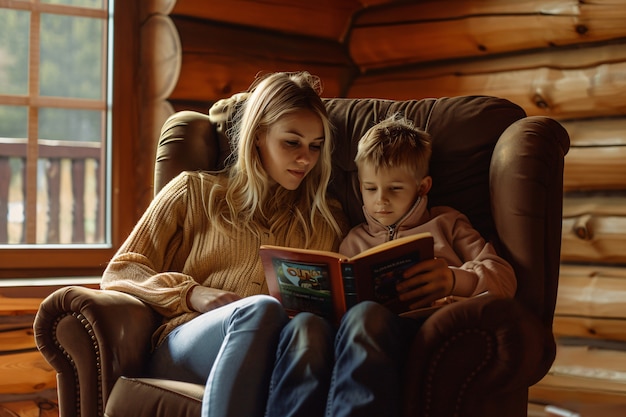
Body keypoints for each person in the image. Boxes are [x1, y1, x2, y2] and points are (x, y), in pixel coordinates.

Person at [100, 71, 346, 417]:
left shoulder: (325, 220)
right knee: (259, 310)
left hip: (278, 354)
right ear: (259, 135)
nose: (305, 158)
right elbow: (122, 269)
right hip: (185, 344)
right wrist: (191, 294)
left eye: (315, 146)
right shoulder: (193, 191)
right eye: (292, 142)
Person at [264, 115, 516, 417]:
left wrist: (454, 279)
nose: (380, 201)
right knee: (312, 326)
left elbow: (503, 277)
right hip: (360, 336)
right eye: (370, 189)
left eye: (395, 189)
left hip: (424, 327)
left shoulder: (447, 223)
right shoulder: (354, 239)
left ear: (422, 187)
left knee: (366, 316)